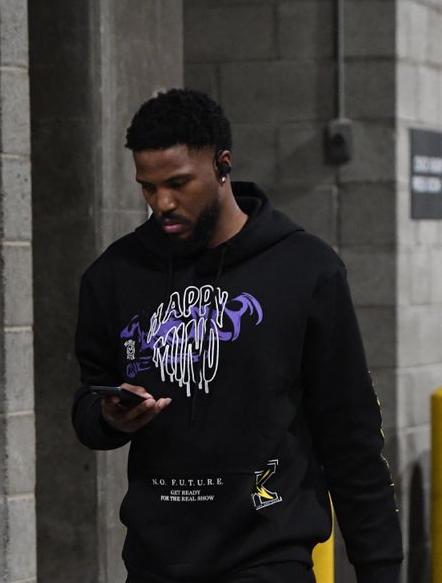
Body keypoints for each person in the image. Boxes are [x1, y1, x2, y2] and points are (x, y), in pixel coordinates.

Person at [72, 89, 402, 583]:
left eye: (179, 183)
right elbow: (87, 406)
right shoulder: (113, 276)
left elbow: (350, 434)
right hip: (156, 560)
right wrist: (110, 417)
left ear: (222, 165)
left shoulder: (304, 269)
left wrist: (380, 568)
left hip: (268, 556)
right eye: (148, 187)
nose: (162, 203)